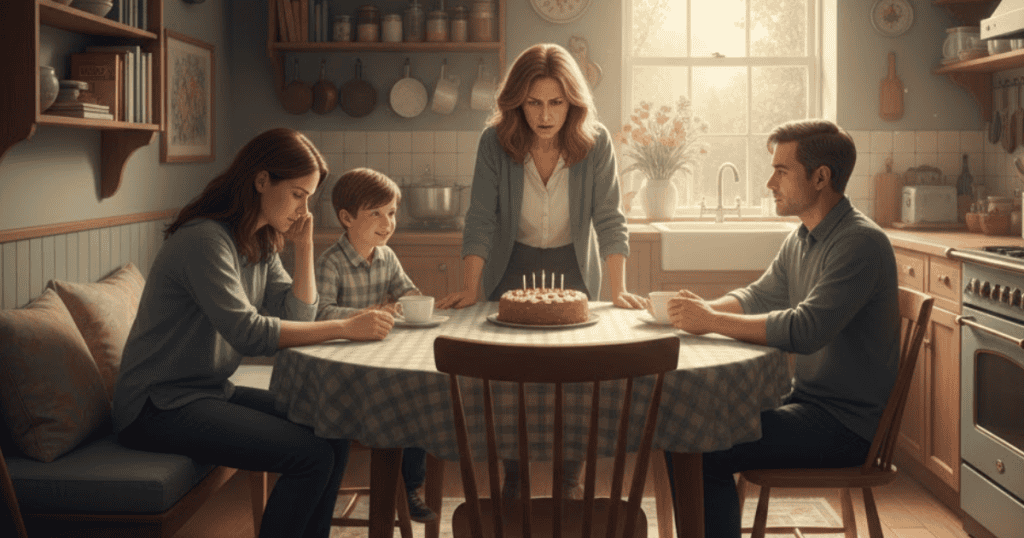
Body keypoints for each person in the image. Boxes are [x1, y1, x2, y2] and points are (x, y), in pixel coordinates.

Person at [113, 128, 396, 538]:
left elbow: (298, 312)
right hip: (155, 406)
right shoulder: (205, 240)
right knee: (311, 456)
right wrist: (346, 328)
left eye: (309, 198)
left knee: (334, 429)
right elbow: (248, 334)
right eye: (298, 194)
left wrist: (303, 247)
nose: (304, 209)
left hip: (207, 391)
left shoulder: (259, 240)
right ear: (262, 181)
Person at [663, 119, 900, 538]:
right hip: (806, 405)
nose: (769, 182)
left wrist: (711, 320)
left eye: (781, 170)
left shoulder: (860, 243)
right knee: (688, 428)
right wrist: (690, 312)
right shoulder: (804, 237)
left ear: (821, 177)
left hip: (846, 428)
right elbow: (760, 296)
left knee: (697, 445)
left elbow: (806, 329)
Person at [435, 43, 648, 500]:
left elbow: (610, 217)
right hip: (511, 266)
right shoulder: (494, 142)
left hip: (575, 268)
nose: (545, 115)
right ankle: (514, 479)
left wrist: (619, 290)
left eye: (556, 102)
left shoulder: (597, 142)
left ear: (573, 102)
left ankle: (569, 481)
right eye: (534, 102)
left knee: (574, 380)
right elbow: (481, 217)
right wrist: (470, 288)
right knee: (512, 381)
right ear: (517, 101)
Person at [314, 167, 436, 523]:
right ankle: (330, 492)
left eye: (392, 213)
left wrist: (412, 301)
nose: (387, 223)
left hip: (379, 358)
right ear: (346, 218)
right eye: (376, 214)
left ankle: (409, 487)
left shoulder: (387, 257)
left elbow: (407, 291)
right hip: (342, 367)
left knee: (416, 405)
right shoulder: (330, 263)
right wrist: (371, 312)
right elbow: (321, 314)